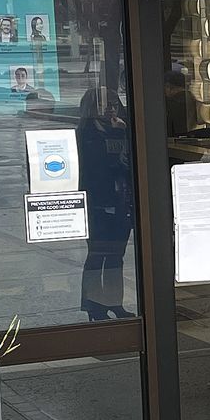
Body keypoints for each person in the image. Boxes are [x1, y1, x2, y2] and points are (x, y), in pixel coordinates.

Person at [76, 87, 133, 320]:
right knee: (97, 255)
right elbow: (96, 168)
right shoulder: (85, 134)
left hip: (121, 202)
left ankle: (113, 301)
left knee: (116, 256)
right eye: (104, 104)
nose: (111, 108)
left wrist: (124, 134)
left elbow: (128, 165)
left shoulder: (120, 130)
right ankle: (93, 305)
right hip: (97, 203)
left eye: (113, 103)